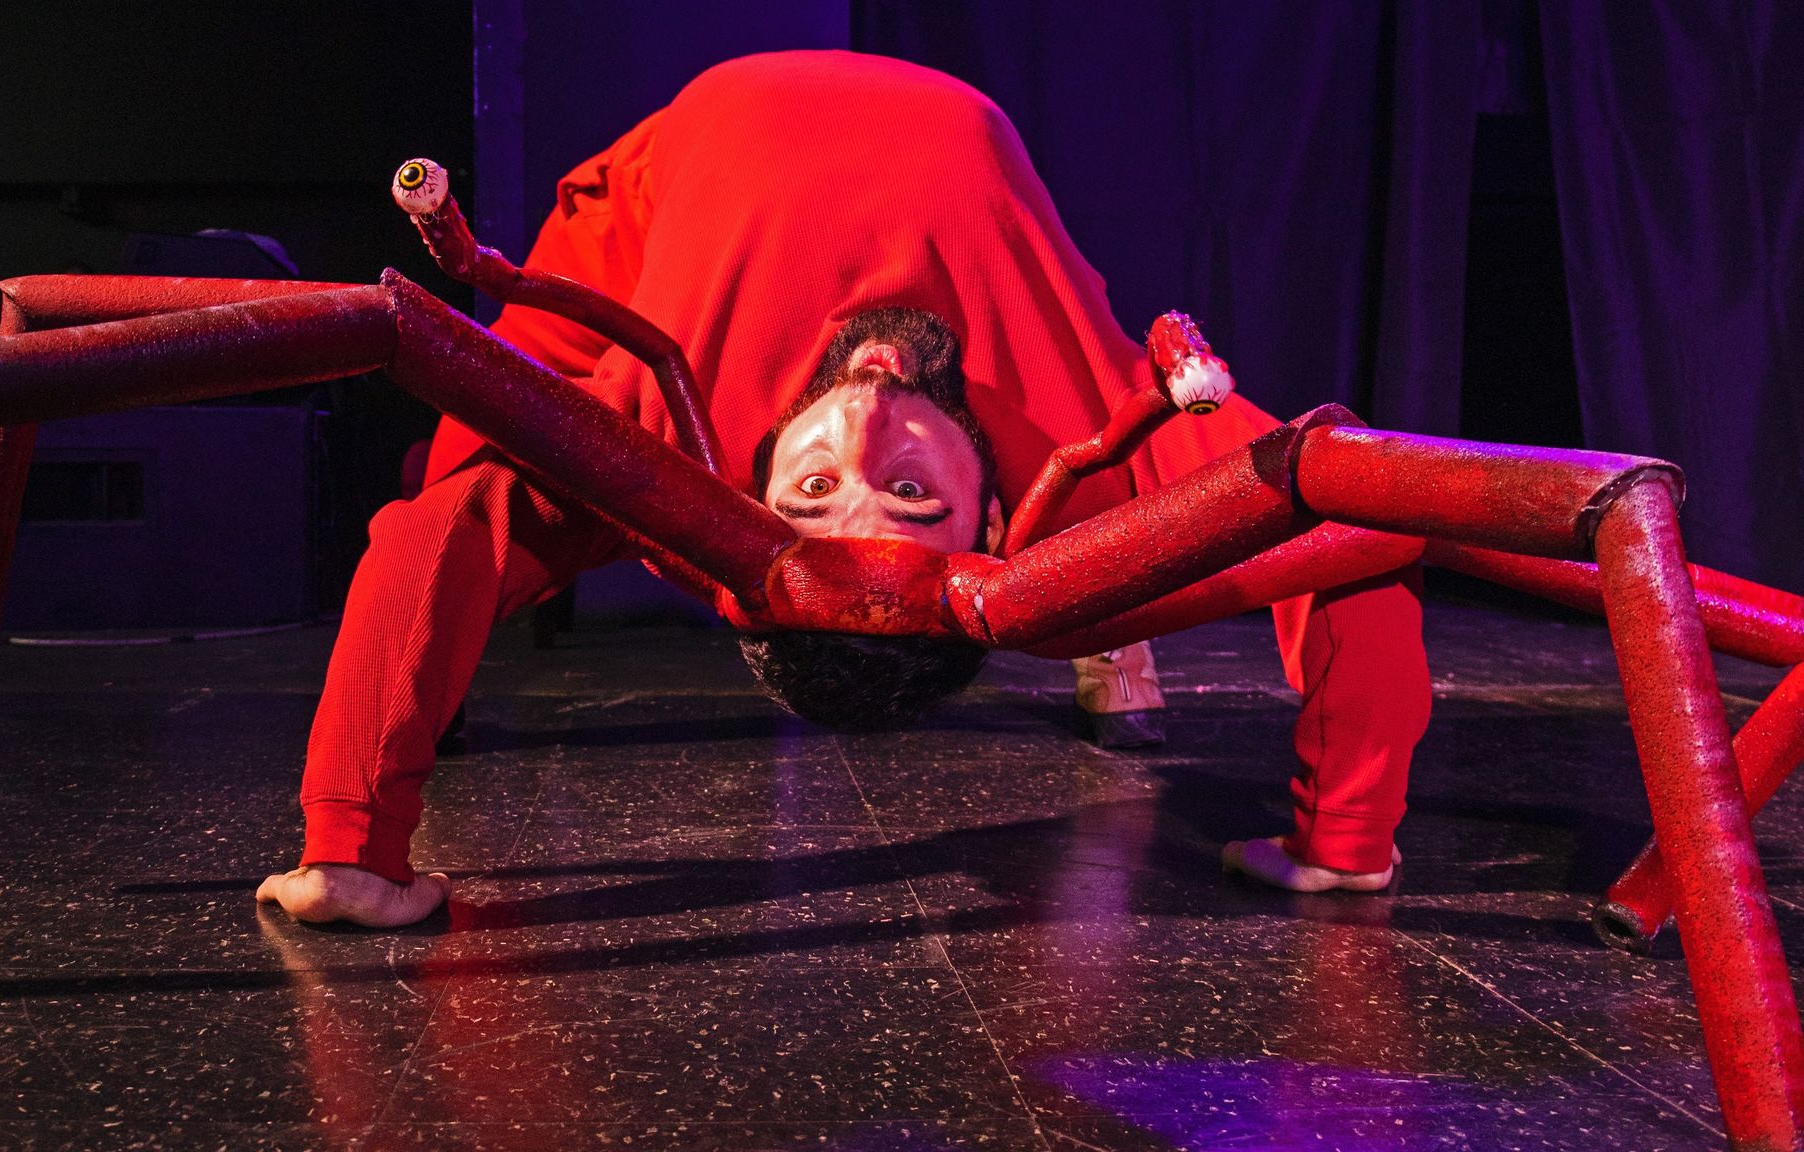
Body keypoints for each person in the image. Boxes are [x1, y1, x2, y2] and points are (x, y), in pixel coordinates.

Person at [257, 51, 1431, 927]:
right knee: (1137, 525)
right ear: (984, 519)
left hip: (667, 189)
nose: (868, 420)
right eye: (911, 492)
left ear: (755, 497)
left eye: (816, 485)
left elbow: (447, 524)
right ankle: (1108, 633)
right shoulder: (1067, 467)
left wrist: (350, 848)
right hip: (959, 151)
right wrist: (1345, 837)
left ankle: (403, 733)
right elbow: (1354, 518)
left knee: (462, 474)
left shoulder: (669, 442)